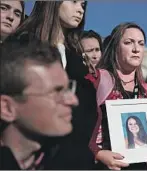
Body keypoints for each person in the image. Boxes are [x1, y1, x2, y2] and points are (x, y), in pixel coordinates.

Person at [7, 2, 97, 169]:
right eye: (74, 2)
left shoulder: (78, 59)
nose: (80, 10)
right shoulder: (22, 44)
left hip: (71, 158)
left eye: (83, 5)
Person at [85, 22, 147, 170]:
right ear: (115, 47)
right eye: (128, 43)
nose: (136, 49)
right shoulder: (98, 79)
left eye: (141, 44)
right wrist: (98, 154)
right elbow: (78, 124)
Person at [0, 41, 78, 169]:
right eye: (57, 91)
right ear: (7, 108)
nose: (73, 100)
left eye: (68, 88)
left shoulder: (71, 159)